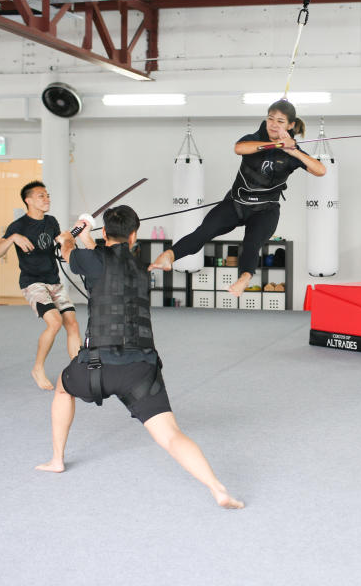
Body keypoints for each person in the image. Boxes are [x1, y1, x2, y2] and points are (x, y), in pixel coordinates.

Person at [36, 205, 244, 510]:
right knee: (172, 435)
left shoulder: (92, 260)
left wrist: (71, 235)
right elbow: (103, 260)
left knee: (63, 388)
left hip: (96, 368)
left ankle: (57, 459)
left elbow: (70, 251)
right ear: (135, 236)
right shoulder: (141, 269)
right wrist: (85, 235)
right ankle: (217, 487)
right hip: (141, 371)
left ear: (104, 232)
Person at [149, 100, 326, 296]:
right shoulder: (254, 138)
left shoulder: (292, 152)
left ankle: (243, 279)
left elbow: (320, 170)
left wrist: (293, 150)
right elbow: (239, 148)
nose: (274, 124)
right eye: (270, 119)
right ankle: (168, 256)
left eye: (280, 121)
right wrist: (274, 144)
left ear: (291, 125)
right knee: (204, 231)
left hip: (265, 210)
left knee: (251, 244)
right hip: (235, 204)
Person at [0, 180, 80, 390]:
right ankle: (38, 368)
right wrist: (13, 237)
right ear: (28, 200)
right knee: (55, 322)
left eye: (47, 195)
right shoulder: (18, 226)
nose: (47, 199)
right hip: (32, 283)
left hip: (54, 281)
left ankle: (78, 370)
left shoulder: (51, 221)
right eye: (41, 196)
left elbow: (63, 249)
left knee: (72, 323)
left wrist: (68, 239)